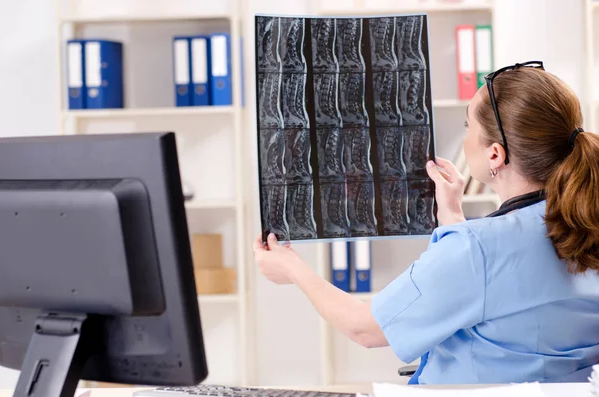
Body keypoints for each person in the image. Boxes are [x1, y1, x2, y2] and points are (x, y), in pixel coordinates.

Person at [253, 61, 599, 384]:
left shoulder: (477, 249)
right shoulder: (584, 225)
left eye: (468, 126)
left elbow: (365, 329)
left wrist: (293, 268)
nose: (465, 138)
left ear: (495, 153)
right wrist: (451, 216)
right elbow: (507, 298)